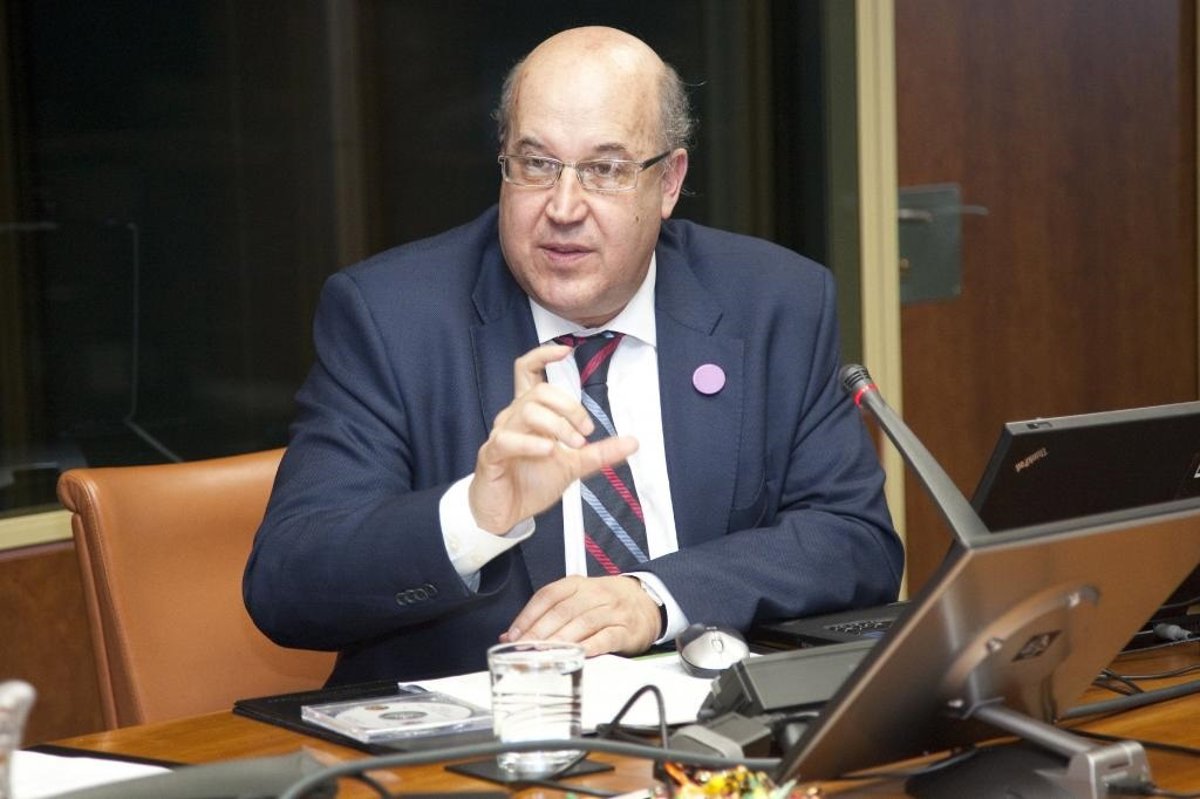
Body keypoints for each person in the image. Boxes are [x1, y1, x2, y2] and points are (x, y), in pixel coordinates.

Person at [243, 25, 903, 686]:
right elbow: (287, 583)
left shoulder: (773, 302)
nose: (563, 207)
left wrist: (656, 597)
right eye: (536, 164)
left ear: (668, 182)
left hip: (716, 725)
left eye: (605, 169)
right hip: (485, 734)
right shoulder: (391, 318)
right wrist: (474, 515)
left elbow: (855, 540)